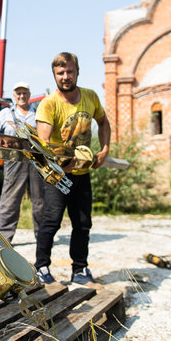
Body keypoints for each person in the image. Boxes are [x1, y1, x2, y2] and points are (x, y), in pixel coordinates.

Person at [33, 52, 110, 285]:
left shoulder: (90, 97)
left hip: (82, 174)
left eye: (69, 71)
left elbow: (103, 121)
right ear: (54, 75)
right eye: (60, 73)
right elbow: (43, 142)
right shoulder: (49, 104)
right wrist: (59, 162)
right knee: (52, 221)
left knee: (83, 223)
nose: (65, 77)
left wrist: (105, 150)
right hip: (58, 176)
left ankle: (79, 270)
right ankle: (42, 268)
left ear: (77, 71)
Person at [0, 82, 44, 243]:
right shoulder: (5, 113)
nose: (21, 96)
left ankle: (42, 237)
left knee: (40, 200)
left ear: (29, 94)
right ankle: (3, 239)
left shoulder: (37, 113)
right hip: (13, 160)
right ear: (14, 95)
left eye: (25, 93)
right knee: (9, 199)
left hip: (36, 160)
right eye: (18, 93)